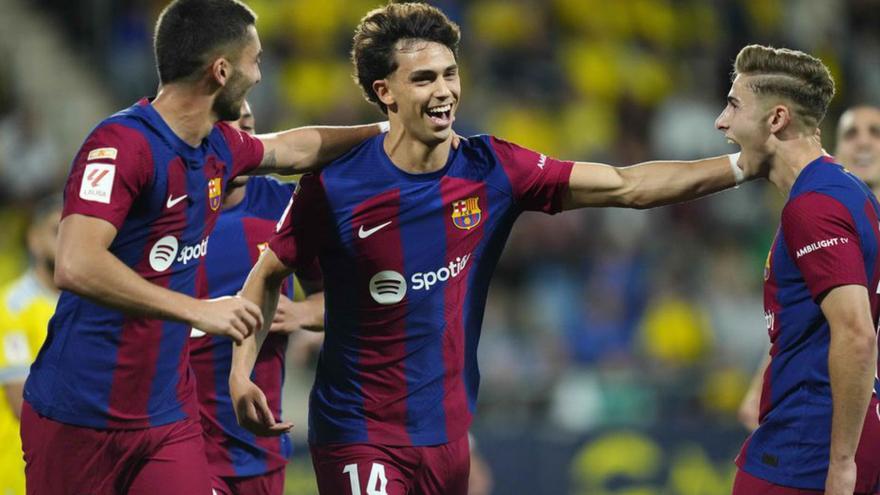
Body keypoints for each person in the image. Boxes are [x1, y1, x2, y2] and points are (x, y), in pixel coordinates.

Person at [229, 4, 759, 494]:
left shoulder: (493, 169)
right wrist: (240, 372)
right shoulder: (335, 188)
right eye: (423, 79)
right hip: (357, 432)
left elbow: (625, 185)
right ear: (384, 91)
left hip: (449, 436)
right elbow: (269, 270)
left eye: (449, 74)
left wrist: (741, 166)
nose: (443, 91)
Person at [20, 1, 383, 493]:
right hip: (79, 414)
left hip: (166, 418)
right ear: (220, 71)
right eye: (254, 61)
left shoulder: (217, 149)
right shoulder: (122, 144)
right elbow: (76, 262)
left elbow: (293, 148)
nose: (259, 75)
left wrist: (389, 129)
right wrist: (196, 310)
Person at [714, 47, 880, 495]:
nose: (721, 122)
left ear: (776, 119)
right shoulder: (846, 188)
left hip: (806, 444)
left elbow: (857, 333)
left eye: (733, 105)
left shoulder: (814, 207)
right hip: (821, 432)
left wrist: (842, 463)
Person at [189, 100, 324, 495]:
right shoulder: (169, 214)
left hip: (261, 447)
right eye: (231, 128)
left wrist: (300, 314)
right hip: (182, 442)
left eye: (250, 127)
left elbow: (341, 298)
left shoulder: (284, 207)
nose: (245, 138)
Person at [737, 103, 880, 432]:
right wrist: (760, 387)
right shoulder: (814, 221)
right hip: (825, 410)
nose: (863, 142)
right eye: (851, 133)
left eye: (875, 133)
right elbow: (796, 319)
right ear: (834, 149)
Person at [0, 197, 60, 495]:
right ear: (34, 240)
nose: (67, 244)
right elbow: (20, 404)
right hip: (17, 473)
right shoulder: (10, 307)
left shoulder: (90, 306)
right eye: (57, 232)